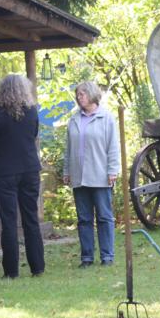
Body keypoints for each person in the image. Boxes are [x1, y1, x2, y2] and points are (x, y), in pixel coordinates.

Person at [0, 74, 45, 279]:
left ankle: (11, 271)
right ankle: (37, 266)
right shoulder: (32, 112)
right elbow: (33, 135)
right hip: (29, 169)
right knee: (31, 218)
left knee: (8, 221)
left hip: (5, 172)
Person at [63, 81, 120, 268]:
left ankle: (107, 256)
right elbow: (68, 149)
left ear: (92, 94)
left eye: (82, 94)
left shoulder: (106, 118)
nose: (79, 97)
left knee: (104, 217)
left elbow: (113, 146)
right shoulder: (74, 120)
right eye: (78, 94)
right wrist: (67, 171)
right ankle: (86, 257)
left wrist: (113, 170)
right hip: (79, 176)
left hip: (100, 174)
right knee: (84, 219)